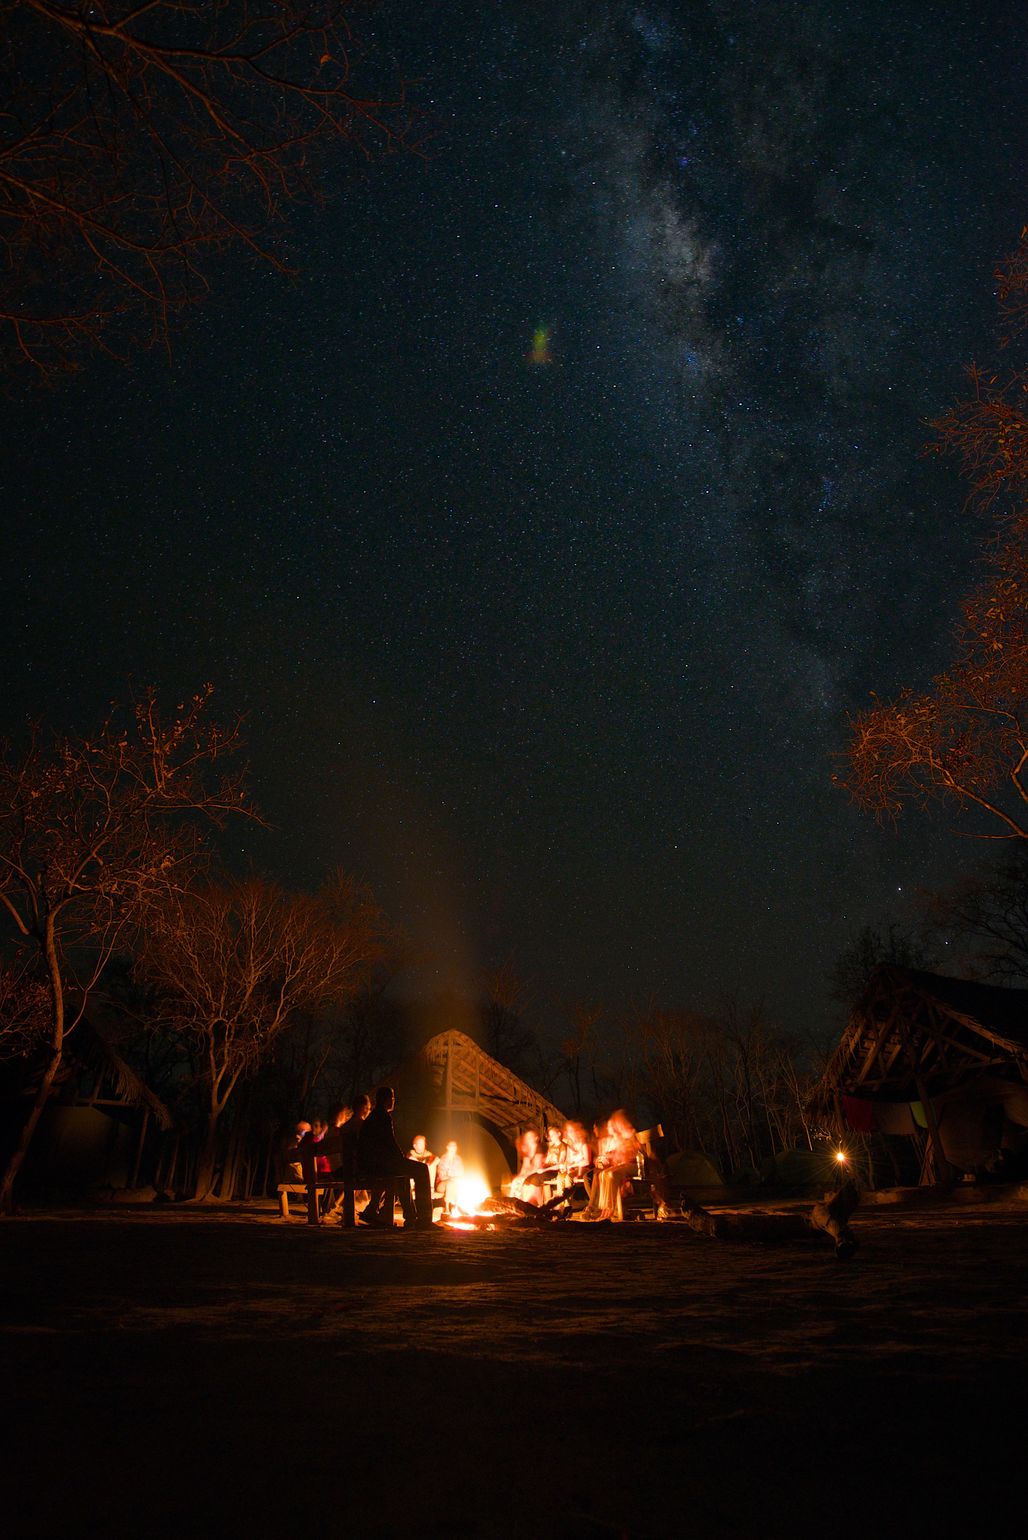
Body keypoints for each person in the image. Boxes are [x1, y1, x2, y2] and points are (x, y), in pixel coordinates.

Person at [358, 1085, 433, 1229]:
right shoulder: (383, 1117)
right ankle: (424, 1218)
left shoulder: (373, 1116)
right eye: (392, 1098)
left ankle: (411, 1217)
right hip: (378, 1165)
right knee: (422, 1169)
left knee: (403, 1174)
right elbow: (390, 1143)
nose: (394, 1101)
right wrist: (401, 1159)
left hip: (371, 1163)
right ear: (386, 1099)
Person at [509, 1127, 547, 1206]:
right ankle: (515, 1202)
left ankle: (530, 1203)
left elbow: (537, 1166)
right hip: (532, 1173)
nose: (528, 1139)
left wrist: (525, 1176)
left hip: (542, 1171)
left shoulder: (540, 1148)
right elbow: (524, 1168)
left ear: (536, 1138)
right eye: (527, 1138)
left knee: (529, 1181)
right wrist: (519, 1176)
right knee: (516, 1181)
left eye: (530, 1137)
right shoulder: (527, 1151)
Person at [434, 1139, 465, 1215]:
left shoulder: (458, 1159)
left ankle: (455, 1207)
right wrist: (452, 1177)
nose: (453, 1148)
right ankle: (448, 1208)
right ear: (447, 1147)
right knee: (450, 1183)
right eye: (451, 1146)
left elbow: (461, 1173)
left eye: (454, 1146)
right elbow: (442, 1176)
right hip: (442, 1185)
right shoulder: (443, 1159)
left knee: (455, 1184)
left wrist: (452, 1176)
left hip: (454, 1183)